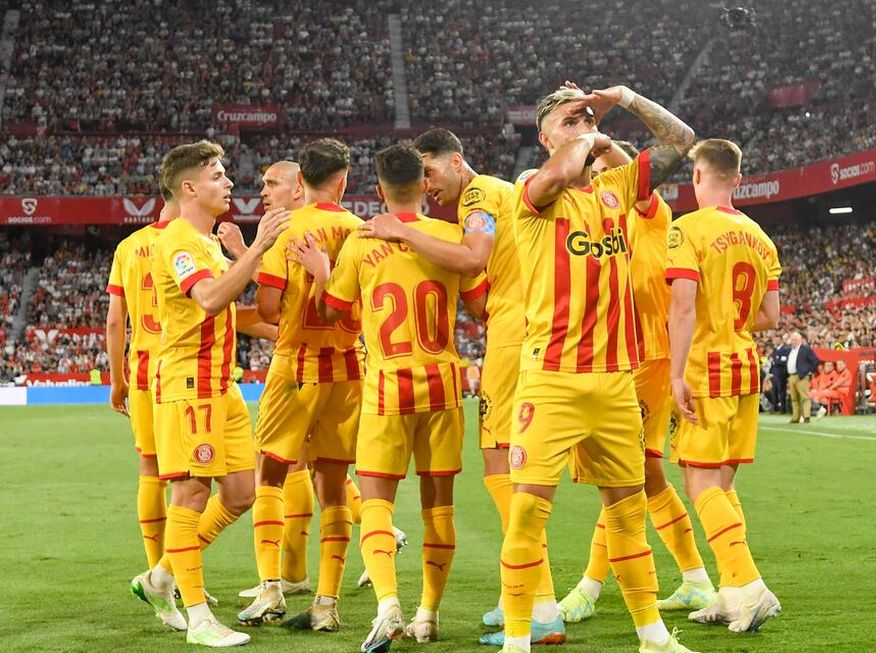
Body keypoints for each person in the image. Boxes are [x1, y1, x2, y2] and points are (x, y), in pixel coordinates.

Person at [498, 83, 698, 653]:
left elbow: (681, 139)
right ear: (545, 139)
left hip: (615, 383)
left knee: (628, 515)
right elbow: (563, 171)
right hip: (551, 381)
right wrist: (591, 138)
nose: (583, 125)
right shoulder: (531, 189)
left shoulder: (616, 188)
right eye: (569, 120)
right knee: (527, 515)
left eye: (587, 117)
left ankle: (653, 637)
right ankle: (517, 642)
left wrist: (627, 100)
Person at [361, 127, 564, 643]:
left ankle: (539, 605)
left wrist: (403, 233)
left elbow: (474, 258)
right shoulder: (500, 194)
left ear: (456, 161)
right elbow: (478, 285)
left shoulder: (477, 198)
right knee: (522, 467)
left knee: (503, 469)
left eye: (431, 170)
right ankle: (521, 591)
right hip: (530, 326)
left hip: (513, 334)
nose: (427, 183)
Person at [291, 144, 488, 652]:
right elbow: (481, 305)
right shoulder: (452, 237)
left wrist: (321, 271)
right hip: (443, 385)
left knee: (376, 502)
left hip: (386, 389)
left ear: (378, 189)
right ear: (424, 185)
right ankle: (429, 615)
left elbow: (331, 312)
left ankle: (387, 606)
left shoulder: (362, 240)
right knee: (438, 507)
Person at [133, 140, 290, 647]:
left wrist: (284, 327)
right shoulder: (178, 240)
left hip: (222, 385)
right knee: (192, 493)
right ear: (190, 187)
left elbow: (229, 312)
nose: (229, 183)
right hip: (188, 384)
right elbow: (208, 298)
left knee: (241, 493)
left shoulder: (207, 244)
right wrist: (258, 249)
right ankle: (198, 618)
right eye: (218, 176)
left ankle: (161, 576)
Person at [557, 142, 715, 625]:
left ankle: (590, 586)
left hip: (648, 354)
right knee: (641, 475)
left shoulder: (649, 210)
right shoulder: (601, 220)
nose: (602, 179)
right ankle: (695, 579)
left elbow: (636, 177)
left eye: (610, 171)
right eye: (596, 172)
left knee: (626, 472)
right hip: (619, 356)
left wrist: (600, 141)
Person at [235, 140, 368, 632]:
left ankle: (271, 589)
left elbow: (268, 309)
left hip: (295, 366)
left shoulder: (286, 228)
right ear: (343, 181)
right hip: (347, 370)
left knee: (270, 476)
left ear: (302, 181)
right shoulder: (359, 230)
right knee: (334, 490)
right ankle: (326, 604)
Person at [666, 138, 782, 634]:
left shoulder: (687, 228)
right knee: (724, 485)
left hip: (705, 368)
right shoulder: (761, 238)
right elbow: (770, 316)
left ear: (697, 175)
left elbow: (683, 306)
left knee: (699, 483)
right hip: (745, 367)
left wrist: (676, 374)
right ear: (737, 178)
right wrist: (729, 318)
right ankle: (731, 590)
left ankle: (750, 585)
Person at [106, 182, 178, 574]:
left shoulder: (128, 247)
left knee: (150, 470)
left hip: (144, 371)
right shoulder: (194, 242)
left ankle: (157, 573)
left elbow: (116, 320)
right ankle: (178, 571)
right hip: (183, 368)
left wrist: (117, 379)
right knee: (192, 479)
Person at [785, 332, 820, 423]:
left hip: (801, 376)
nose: (793, 341)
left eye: (795, 340)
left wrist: (808, 371)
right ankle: (795, 417)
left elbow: (815, 361)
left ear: (800, 340)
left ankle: (806, 416)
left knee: (805, 397)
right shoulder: (789, 350)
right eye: (792, 339)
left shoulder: (806, 349)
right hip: (791, 376)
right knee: (794, 398)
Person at [768, 334, 790, 413]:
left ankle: (783, 408)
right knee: (774, 391)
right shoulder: (775, 349)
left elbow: (784, 361)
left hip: (782, 374)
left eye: (777, 340)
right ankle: (775, 407)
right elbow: (772, 360)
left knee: (781, 391)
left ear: (781, 340)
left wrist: (776, 360)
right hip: (774, 373)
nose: (776, 341)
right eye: (775, 340)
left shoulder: (785, 349)